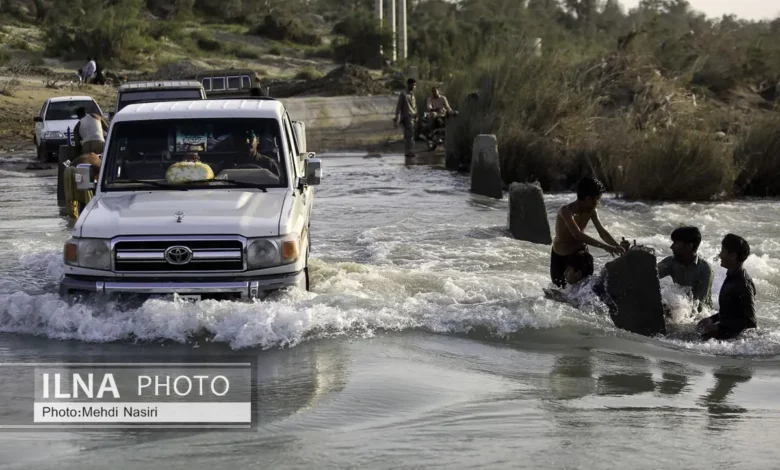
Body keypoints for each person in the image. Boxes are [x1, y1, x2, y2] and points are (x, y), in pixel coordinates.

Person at [551, 177, 628, 288]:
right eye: (597, 199)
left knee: (584, 288)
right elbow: (577, 234)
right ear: (588, 199)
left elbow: (602, 231)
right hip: (560, 257)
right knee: (559, 292)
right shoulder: (566, 211)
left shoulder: (591, 211)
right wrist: (606, 247)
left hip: (580, 255)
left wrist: (617, 247)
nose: (598, 203)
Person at [698, 234, 757, 340]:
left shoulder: (743, 284)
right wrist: (712, 319)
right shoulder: (732, 276)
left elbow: (751, 322)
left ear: (733, 255)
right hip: (724, 335)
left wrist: (719, 327)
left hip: (734, 342)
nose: (720, 255)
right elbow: (733, 312)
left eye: (723, 251)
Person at [657, 226, 714, 311]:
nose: (671, 247)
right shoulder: (671, 262)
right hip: (681, 309)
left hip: (704, 317)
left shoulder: (705, 270)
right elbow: (648, 274)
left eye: (676, 243)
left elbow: (699, 306)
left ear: (689, 246)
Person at [394, 78, 417, 158]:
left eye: (415, 85)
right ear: (409, 84)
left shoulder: (412, 94)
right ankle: (409, 152)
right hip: (406, 117)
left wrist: (416, 115)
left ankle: (408, 152)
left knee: (409, 136)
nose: (414, 86)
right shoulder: (403, 94)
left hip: (412, 117)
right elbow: (399, 106)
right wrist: (397, 116)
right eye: (413, 85)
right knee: (410, 135)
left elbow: (414, 106)